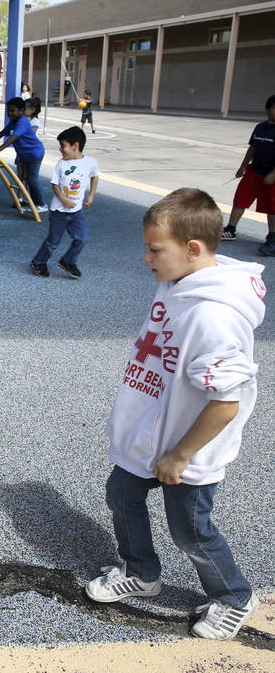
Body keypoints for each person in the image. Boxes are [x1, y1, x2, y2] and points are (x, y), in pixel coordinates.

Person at [85, 188, 264, 641]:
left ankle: (233, 597)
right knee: (122, 494)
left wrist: (179, 457)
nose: (146, 257)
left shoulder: (214, 317)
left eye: (154, 249)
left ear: (192, 249)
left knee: (190, 530)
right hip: (151, 431)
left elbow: (226, 403)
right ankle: (141, 572)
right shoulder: (177, 281)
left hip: (187, 448)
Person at [30, 127, 99, 278]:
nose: (60, 149)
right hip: (59, 211)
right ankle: (38, 261)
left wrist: (92, 195)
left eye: (63, 145)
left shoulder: (90, 163)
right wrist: (64, 199)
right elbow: (55, 184)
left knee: (82, 238)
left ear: (75, 146)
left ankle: (68, 261)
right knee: (53, 242)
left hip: (76, 211)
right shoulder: (61, 164)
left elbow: (95, 176)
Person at [221, 94, 275, 252]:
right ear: (267, 109)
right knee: (240, 199)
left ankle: (272, 237)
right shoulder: (260, 127)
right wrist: (243, 166)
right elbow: (252, 148)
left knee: (271, 206)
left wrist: (273, 175)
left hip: (271, 175)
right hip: (254, 171)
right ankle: (231, 229)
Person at [0, 97, 46, 213]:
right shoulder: (13, 122)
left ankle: (41, 204)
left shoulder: (23, 122)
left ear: (21, 110)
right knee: (27, 179)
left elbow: (13, 137)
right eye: (8, 110)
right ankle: (34, 203)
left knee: (32, 179)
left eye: (13, 111)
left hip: (34, 153)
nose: (10, 113)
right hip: (24, 155)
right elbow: (1, 133)